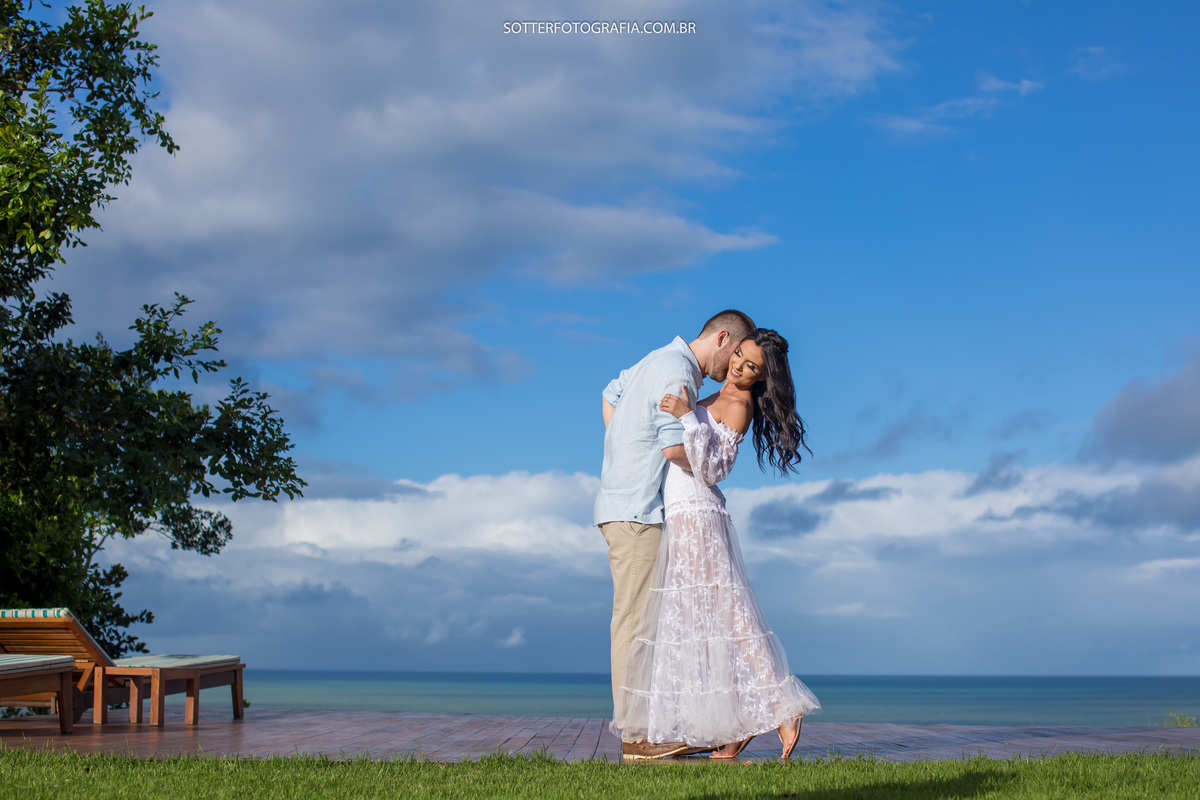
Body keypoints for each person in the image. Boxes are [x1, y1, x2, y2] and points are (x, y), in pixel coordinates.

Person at [611, 328, 821, 760]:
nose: (740, 368)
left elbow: (715, 468)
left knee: (731, 611)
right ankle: (733, 725)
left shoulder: (739, 406)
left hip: (700, 516)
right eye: (741, 356)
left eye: (752, 369)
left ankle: (784, 707)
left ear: (761, 378)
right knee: (700, 621)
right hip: (681, 516)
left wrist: (688, 417)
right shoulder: (709, 393)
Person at [596, 310, 756, 761]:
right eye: (735, 357)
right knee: (636, 623)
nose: (729, 371)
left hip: (623, 503)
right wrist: (703, 465)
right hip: (638, 510)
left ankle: (648, 731)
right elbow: (672, 448)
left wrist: (624, 447)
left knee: (640, 620)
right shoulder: (678, 369)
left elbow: (611, 394)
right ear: (723, 338)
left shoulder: (656, 358)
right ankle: (635, 738)